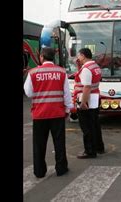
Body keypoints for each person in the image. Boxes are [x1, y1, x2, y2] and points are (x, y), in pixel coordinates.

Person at [24, 47, 73, 178]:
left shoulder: (33, 72)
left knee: (39, 144)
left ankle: (39, 171)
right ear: (54, 57)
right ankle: (61, 168)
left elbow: (28, 93)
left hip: (40, 114)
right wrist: (68, 109)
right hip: (57, 113)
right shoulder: (61, 72)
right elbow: (67, 94)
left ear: (41, 57)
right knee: (59, 142)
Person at [73, 48, 105, 159]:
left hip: (87, 99)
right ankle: (99, 147)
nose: (78, 58)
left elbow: (86, 87)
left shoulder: (86, 69)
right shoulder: (95, 66)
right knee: (95, 125)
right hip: (95, 98)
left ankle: (89, 151)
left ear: (83, 55)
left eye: (79, 56)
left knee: (86, 127)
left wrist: (83, 103)